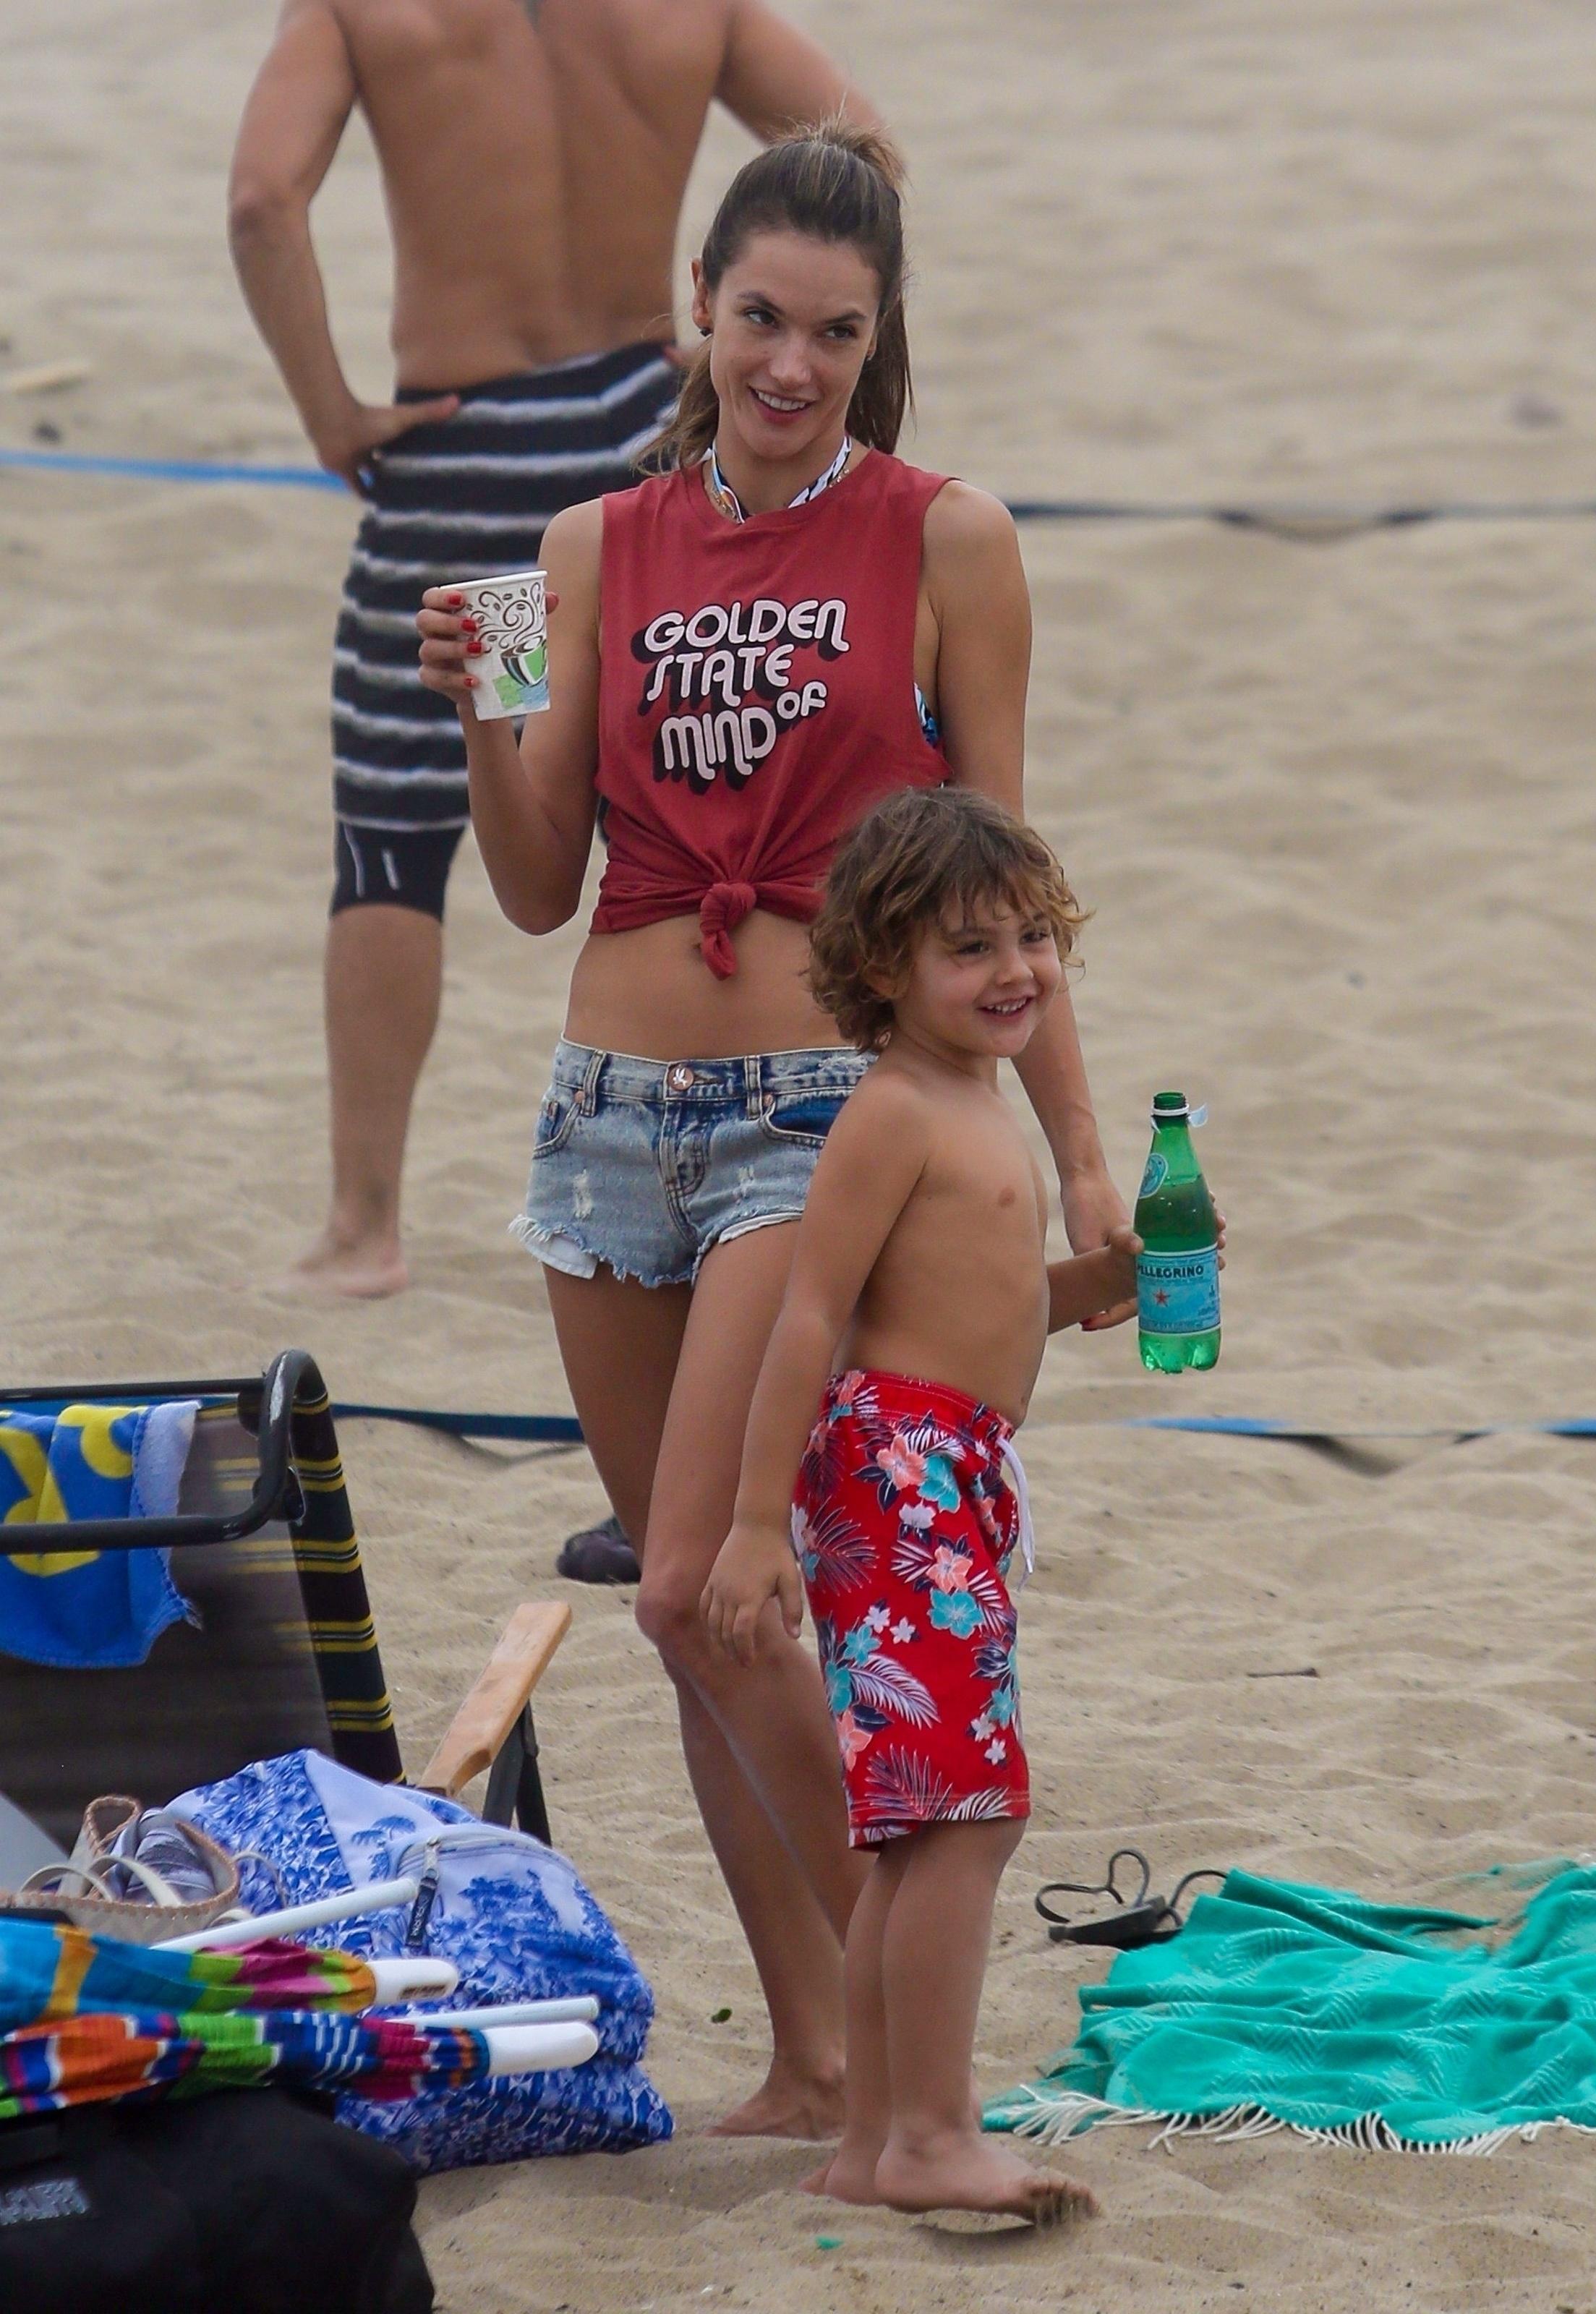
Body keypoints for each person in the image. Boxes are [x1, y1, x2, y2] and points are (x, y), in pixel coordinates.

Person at [416, 125, 1135, 2139]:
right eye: (759, 320)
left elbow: (1005, 879)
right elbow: (542, 881)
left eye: (833, 331)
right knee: (693, 1621)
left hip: (811, 1114)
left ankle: (912, 2064)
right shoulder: (584, 550)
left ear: (877, 339)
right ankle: (816, 2050)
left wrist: (1077, 1151)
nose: (790, 363)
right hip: (602, 1117)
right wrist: (484, 706)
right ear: (702, 314)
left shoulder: (944, 538)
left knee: (700, 1591)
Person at [226, 0, 876, 1297]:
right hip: (646, 443)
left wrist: (332, 412)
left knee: (400, 829)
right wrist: (735, 339)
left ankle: (366, 1227)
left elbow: (261, 201)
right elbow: (854, 152)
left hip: (474, 463)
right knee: (691, 810)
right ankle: (743, 1166)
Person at [702, 787, 1132, 2220]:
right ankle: (937, 2132)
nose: (1016, 970)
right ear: (884, 970)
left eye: (1032, 938)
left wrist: (1085, 1292)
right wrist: (755, 1523)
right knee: (964, 1813)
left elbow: (977, 1298)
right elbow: (813, 1316)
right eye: (971, 949)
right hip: (901, 1472)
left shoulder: (973, 1094)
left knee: (914, 1820)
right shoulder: (892, 1110)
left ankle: (876, 2136)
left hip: (945, 1467)